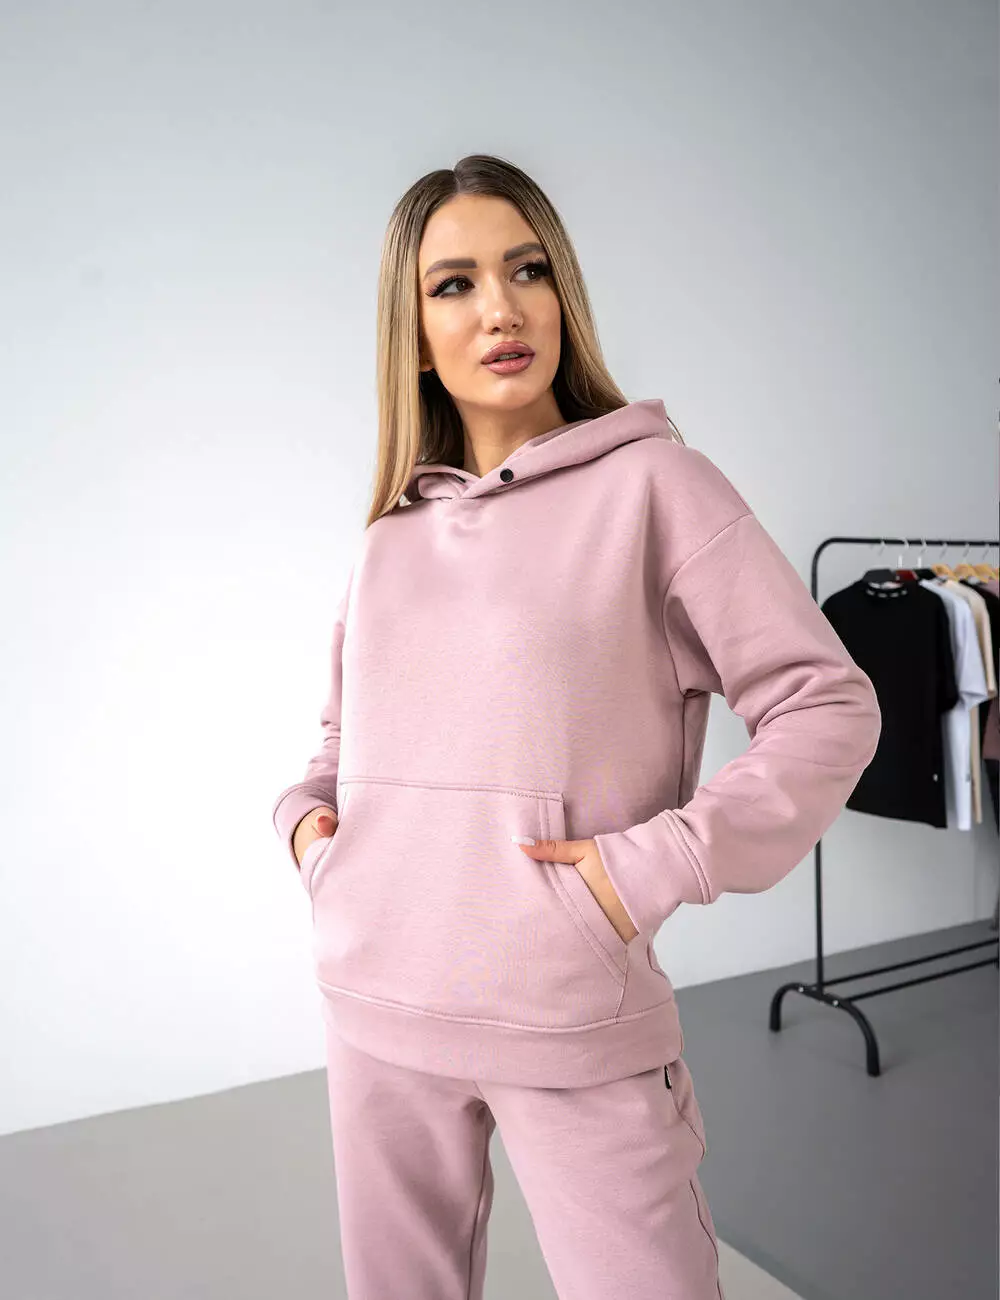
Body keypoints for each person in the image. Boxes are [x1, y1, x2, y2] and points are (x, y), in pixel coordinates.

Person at [271, 154, 882, 1300]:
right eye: (454, 284)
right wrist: (309, 833)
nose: (500, 309)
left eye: (527, 270)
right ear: (413, 335)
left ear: (564, 294)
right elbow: (340, 748)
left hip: (568, 1009)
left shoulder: (657, 488)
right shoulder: (387, 539)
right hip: (374, 1010)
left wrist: (654, 866)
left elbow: (825, 702)